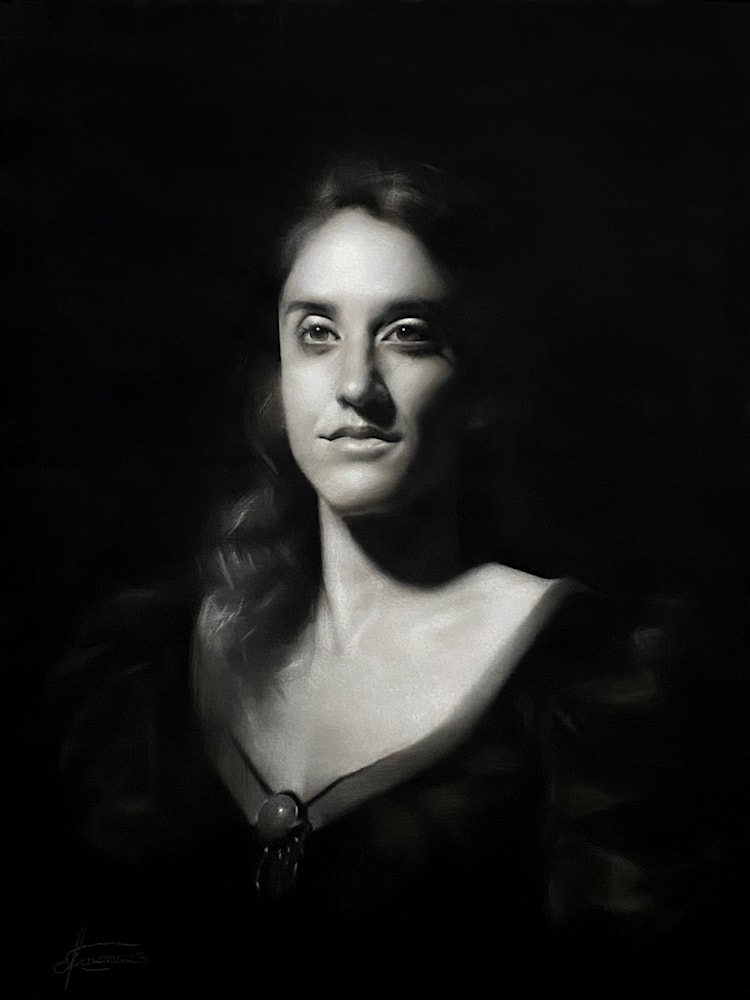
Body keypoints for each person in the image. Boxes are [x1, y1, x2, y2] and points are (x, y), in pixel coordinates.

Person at [46, 158, 696, 996]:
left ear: (482, 388)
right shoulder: (151, 661)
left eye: (406, 334)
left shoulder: (584, 682)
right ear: (279, 379)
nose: (355, 385)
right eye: (317, 333)